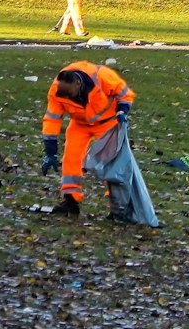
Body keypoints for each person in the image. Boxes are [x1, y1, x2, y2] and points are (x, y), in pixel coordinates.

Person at [41, 61, 149, 222]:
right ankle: (70, 200)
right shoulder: (57, 91)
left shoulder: (101, 76)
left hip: (108, 123)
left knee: (113, 164)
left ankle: (118, 207)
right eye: (64, 94)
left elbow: (125, 94)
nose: (67, 98)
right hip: (79, 124)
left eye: (70, 94)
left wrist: (122, 111)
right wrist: (50, 152)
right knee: (71, 158)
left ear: (78, 83)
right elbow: (52, 120)